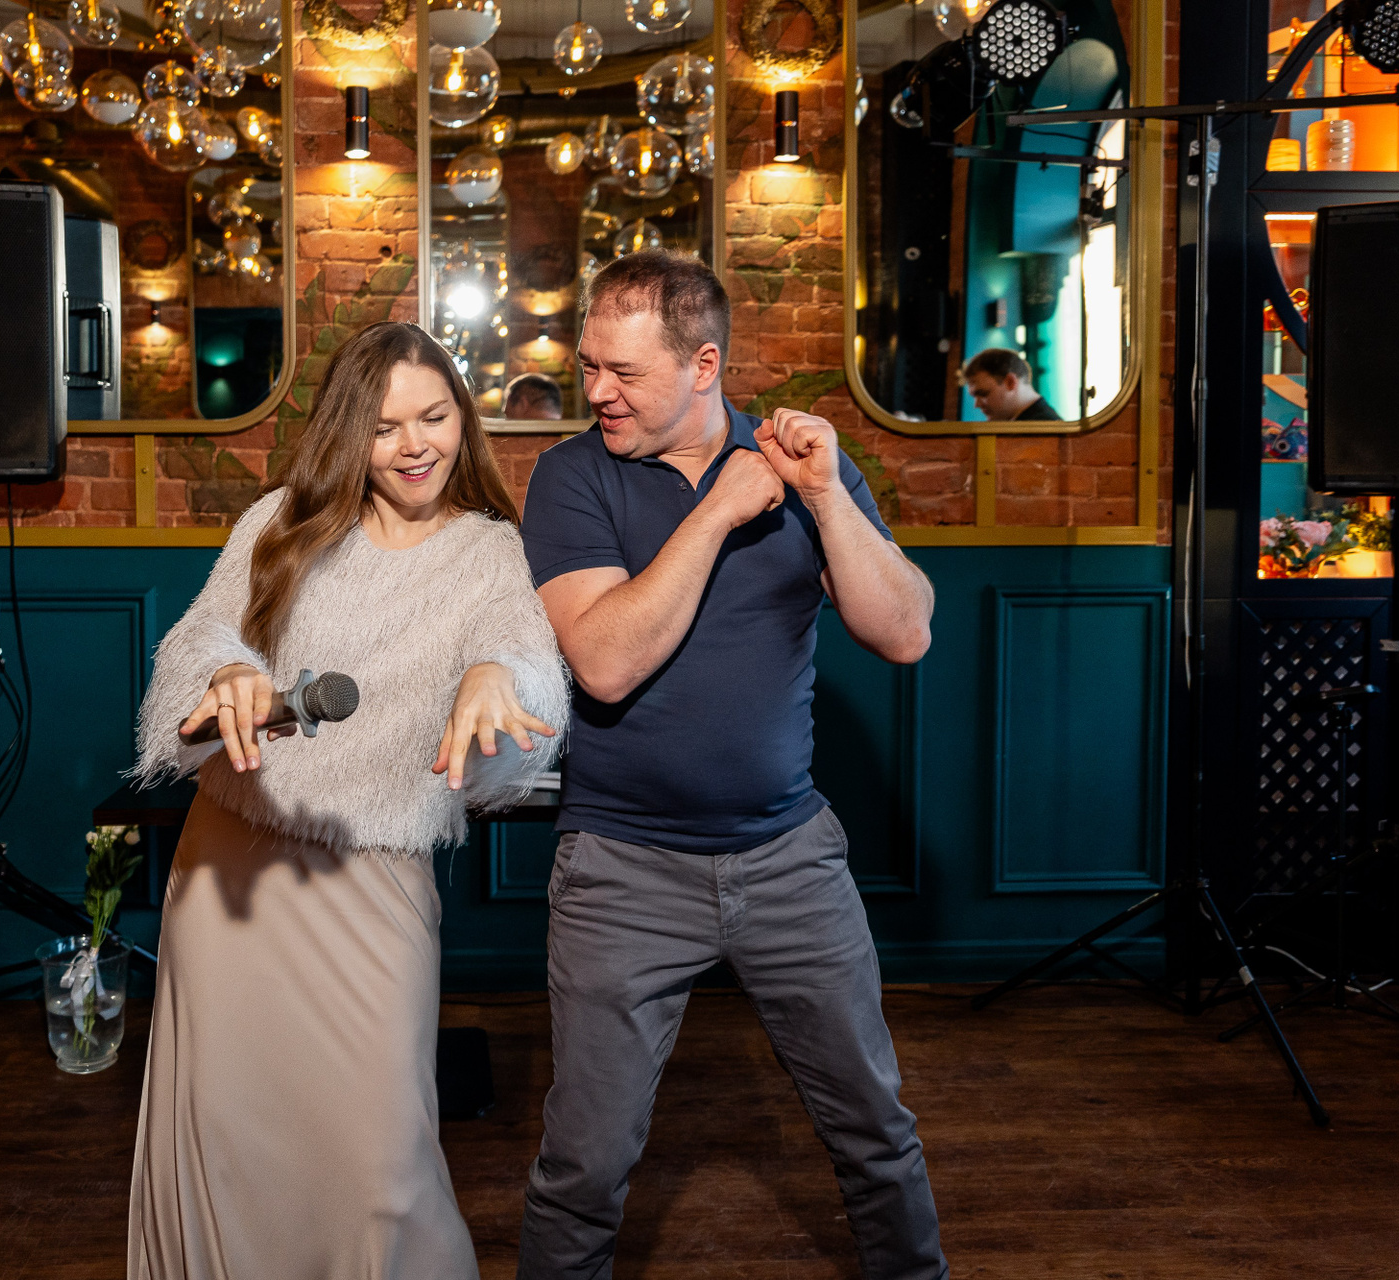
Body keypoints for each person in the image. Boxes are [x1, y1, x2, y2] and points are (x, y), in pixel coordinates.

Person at [517, 251, 946, 1280]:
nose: (598, 390)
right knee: (584, 1165)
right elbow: (605, 662)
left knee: (875, 1132)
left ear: (703, 365)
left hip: (789, 858)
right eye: (588, 366)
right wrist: (718, 509)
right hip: (621, 869)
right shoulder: (573, 476)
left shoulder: (800, 465)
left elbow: (905, 632)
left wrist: (826, 496)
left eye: (624, 372)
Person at [126, 321, 568, 1280]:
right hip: (232, 876)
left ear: (464, 418)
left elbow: (521, 648)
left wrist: (499, 677)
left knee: (380, 1167)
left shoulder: (488, 550)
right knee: (230, 1144)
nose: (415, 446)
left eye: (434, 417)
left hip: (374, 889)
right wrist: (227, 675)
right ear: (347, 433)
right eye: (384, 426)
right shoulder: (281, 519)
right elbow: (203, 638)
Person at [961, 347, 1061, 421]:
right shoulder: (1036, 424)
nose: (976, 405)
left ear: (1010, 382)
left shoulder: (1043, 432)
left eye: (983, 394)